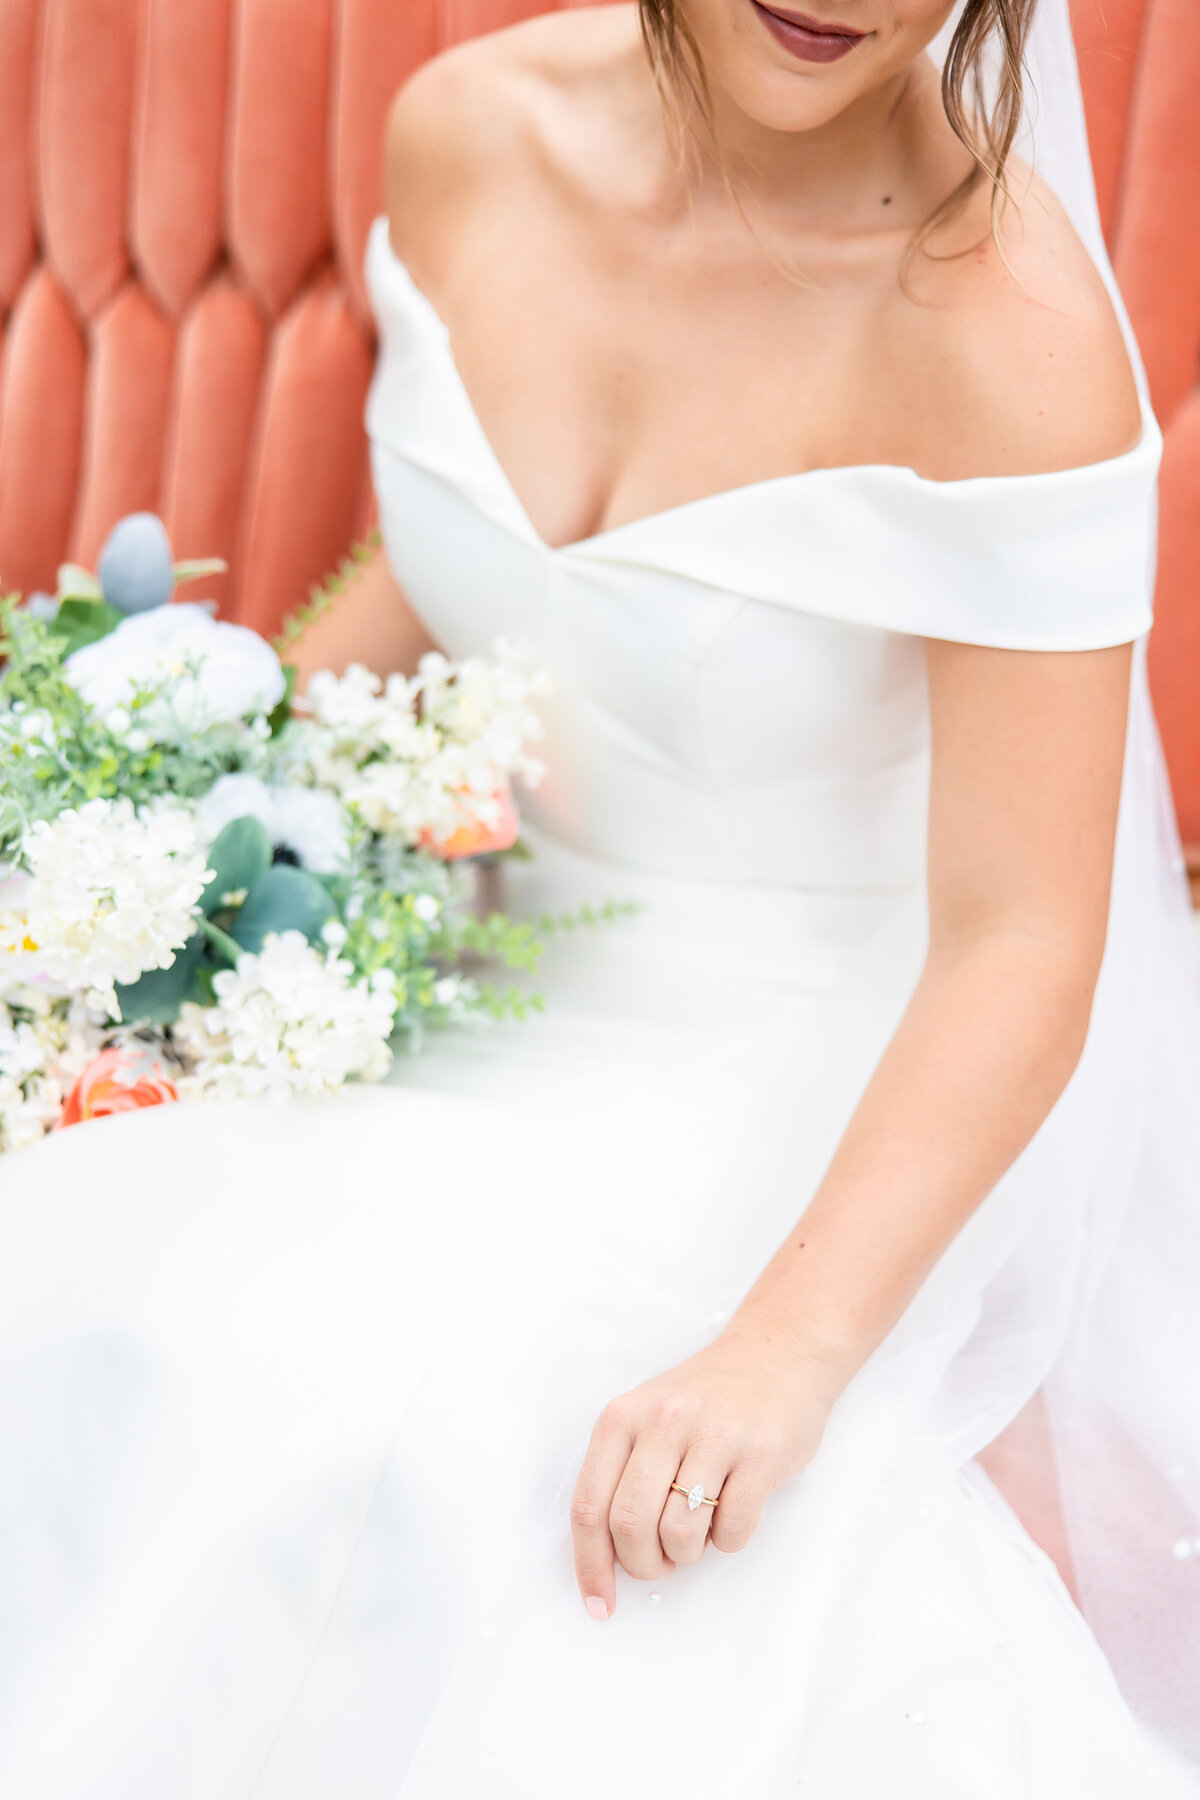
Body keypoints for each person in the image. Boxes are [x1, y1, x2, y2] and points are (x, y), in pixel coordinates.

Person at [1, 2, 1198, 1795]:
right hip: (471, 975)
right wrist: (162, 856)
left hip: (812, 1065)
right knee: (81, 1276)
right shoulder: (468, 132)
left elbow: (1025, 940)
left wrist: (773, 1357)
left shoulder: (1007, 338)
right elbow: (448, 587)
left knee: (458, 1437)